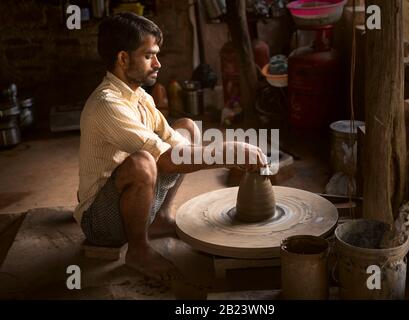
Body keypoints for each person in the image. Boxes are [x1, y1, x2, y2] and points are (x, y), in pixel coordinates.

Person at [74, 13, 268, 280]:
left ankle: (161, 217)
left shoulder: (140, 97)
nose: (158, 63)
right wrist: (227, 153)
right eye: (149, 56)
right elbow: (165, 159)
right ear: (122, 59)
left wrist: (220, 151)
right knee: (144, 161)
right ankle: (138, 250)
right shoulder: (107, 104)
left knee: (187, 127)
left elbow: (174, 144)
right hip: (101, 222)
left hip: (128, 200)